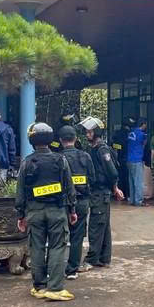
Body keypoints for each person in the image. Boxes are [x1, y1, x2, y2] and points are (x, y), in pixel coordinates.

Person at [15, 122, 78, 301]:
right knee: (57, 247)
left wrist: (21, 215)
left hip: (34, 212)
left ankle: (39, 287)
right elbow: (69, 187)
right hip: (57, 210)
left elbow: (20, 192)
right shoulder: (60, 160)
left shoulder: (27, 162)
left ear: (32, 140)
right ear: (50, 139)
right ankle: (55, 288)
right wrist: (72, 210)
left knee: (36, 247)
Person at [79, 116, 123, 268]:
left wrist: (115, 187)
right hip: (98, 192)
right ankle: (104, 258)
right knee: (103, 225)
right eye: (87, 131)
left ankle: (91, 260)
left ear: (97, 132)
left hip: (100, 192)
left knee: (96, 225)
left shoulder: (102, 149)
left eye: (90, 132)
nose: (87, 134)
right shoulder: (94, 148)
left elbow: (112, 172)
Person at [58, 125, 95, 279]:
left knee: (58, 236)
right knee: (77, 236)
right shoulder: (85, 156)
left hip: (62, 203)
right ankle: (72, 270)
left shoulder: (58, 158)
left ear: (60, 140)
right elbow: (92, 178)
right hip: (81, 201)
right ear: (76, 139)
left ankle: (55, 268)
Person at [126, 118, 148, 206]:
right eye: (145, 124)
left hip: (129, 159)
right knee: (138, 181)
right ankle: (138, 200)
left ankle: (132, 200)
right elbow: (144, 144)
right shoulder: (141, 134)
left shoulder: (130, 133)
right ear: (143, 124)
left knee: (131, 181)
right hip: (137, 159)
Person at [111, 117, 134, 201]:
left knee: (120, 177)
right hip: (126, 158)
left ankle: (119, 194)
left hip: (118, 158)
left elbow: (113, 145)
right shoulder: (128, 134)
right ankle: (127, 194)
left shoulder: (117, 134)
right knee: (127, 177)